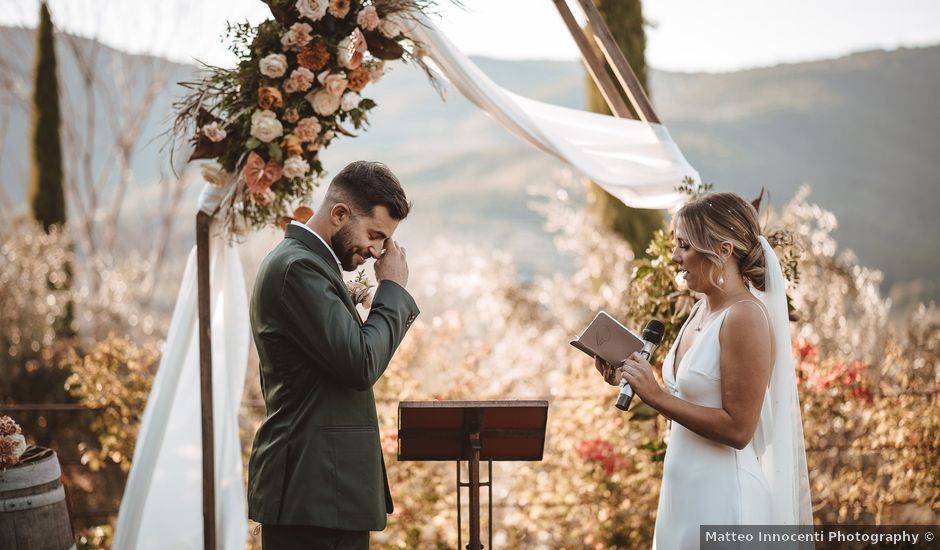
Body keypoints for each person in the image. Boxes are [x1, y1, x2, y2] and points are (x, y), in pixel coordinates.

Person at [596, 192, 812, 549]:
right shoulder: (700, 310)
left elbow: (740, 428)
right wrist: (630, 378)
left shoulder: (745, 317)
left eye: (685, 245)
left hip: (725, 498)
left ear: (723, 251)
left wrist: (656, 396)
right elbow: (687, 397)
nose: (675, 256)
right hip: (683, 493)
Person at [247, 161, 420, 549]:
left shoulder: (312, 266)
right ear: (339, 213)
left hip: (328, 495)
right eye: (375, 235)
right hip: (310, 493)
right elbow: (360, 363)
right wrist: (392, 289)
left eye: (385, 241)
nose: (377, 252)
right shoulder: (298, 269)